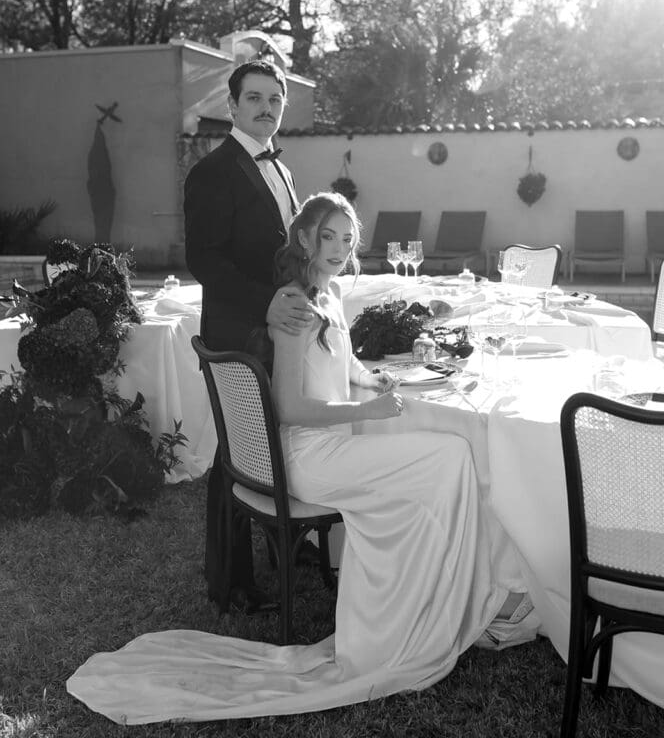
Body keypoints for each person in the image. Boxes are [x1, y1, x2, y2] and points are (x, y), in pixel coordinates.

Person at [67, 192, 531, 724]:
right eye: (328, 237)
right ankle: (410, 622)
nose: (338, 248)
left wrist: (368, 378)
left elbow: (342, 359)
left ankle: (423, 604)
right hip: (308, 457)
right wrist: (374, 411)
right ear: (306, 239)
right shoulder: (294, 304)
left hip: (332, 447)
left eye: (348, 239)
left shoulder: (330, 293)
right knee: (450, 455)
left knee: (442, 465)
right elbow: (288, 406)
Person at [183, 58, 314, 613]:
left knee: (278, 440)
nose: (266, 108)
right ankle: (231, 581)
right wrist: (266, 304)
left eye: (274, 99)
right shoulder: (212, 172)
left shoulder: (281, 171)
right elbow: (204, 261)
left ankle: (285, 542)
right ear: (232, 105)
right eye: (254, 98)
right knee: (238, 455)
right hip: (239, 333)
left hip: (280, 330)